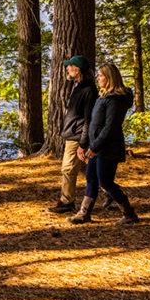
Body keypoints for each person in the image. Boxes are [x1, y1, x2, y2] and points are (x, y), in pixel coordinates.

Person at [68, 62, 139, 225]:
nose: (98, 78)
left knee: (105, 181)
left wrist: (95, 147)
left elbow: (110, 127)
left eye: (101, 75)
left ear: (110, 78)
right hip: (97, 146)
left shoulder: (115, 100)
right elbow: (94, 123)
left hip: (109, 148)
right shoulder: (104, 96)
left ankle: (129, 213)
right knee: (91, 178)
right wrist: (87, 144)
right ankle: (84, 213)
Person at [47, 55, 97, 214]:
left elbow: (89, 119)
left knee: (68, 169)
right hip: (72, 134)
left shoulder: (88, 90)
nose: (67, 68)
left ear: (78, 69)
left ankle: (66, 202)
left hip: (77, 136)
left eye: (70, 66)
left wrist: (83, 143)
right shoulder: (78, 86)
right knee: (84, 169)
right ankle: (109, 191)